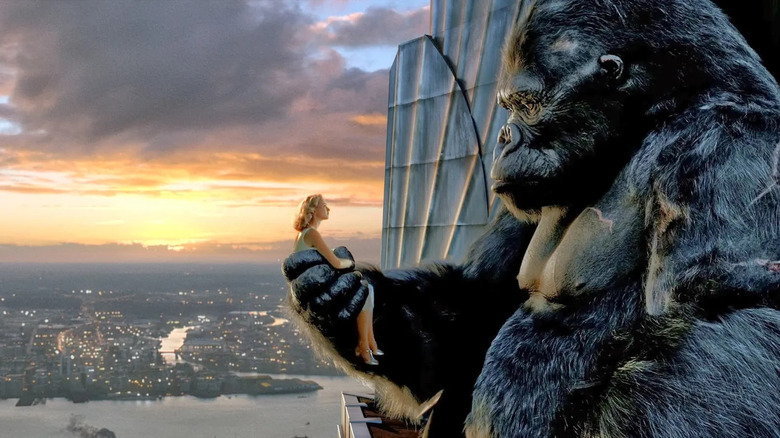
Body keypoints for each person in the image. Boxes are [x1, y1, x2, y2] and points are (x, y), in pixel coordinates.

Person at [292, 194, 383, 365]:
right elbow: (335, 262)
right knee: (365, 289)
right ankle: (364, 345)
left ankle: (369, 343)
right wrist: (348, 262)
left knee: (367, 290)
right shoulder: (312, 234)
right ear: (313, 210)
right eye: (324, 205)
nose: (328, 209)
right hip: (318, 291)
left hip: (313, 288)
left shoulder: (302, 234)